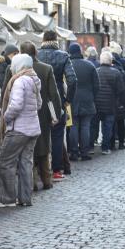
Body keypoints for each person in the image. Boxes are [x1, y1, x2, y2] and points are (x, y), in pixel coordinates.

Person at [0, 54, 41, 207]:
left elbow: (16, 105)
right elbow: (39, 104)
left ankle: (7, 199)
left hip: (18, 129)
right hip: (33, 128)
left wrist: (6, 117)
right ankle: (25, 198)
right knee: (25, 163)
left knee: (4, 161)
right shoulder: (34, 79)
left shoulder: (20, 81)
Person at [36, 31, 76, 181]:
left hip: (38, 99)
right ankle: (56, 170)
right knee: (58, 135)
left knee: (39, 133)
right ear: (56, 40)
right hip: (57, 98)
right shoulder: (63, 56)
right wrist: (68, 99)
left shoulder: (36, 55)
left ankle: (40, 169)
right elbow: (72, 80)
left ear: (43, 40)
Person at [22, 42, 60, 191]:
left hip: (23, 114)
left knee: (27, 149)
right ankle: (46, 180)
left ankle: (30, 183)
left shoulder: (14, 69)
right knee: (44, 146)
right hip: (43, 112)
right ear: (36, 53)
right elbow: (54, 95)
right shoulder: (46, 68)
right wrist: (55, 115)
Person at [66, 43, 99, 160]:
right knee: (86, 126)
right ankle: (85, 152)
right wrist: (92, 97)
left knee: (73, 126)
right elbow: (97, 85)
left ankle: (74, 152)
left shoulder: (68, 65)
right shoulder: (89, 65)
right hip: (87, 100)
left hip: (71, 100)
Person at [96, 52, 125, 155]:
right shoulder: (116, 73)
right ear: (111, 61)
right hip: (111, 104)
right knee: (108, 126)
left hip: (98, 104)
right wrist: (122, 103)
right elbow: (121, 91)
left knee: (99, 125)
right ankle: (105, 147)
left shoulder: (96, 71)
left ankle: (96, 145)